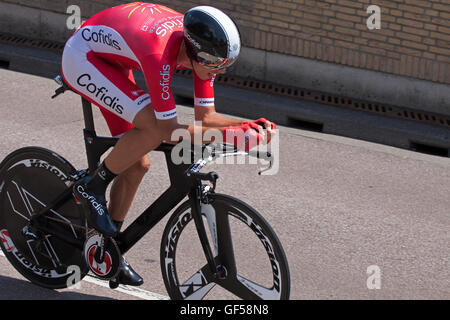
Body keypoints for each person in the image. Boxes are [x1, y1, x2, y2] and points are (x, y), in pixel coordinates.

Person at [61, 2, 276, 286]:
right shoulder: (159, 52)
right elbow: (168, 131)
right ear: (194, 52)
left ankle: (105, 248)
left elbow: (206, 117)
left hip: (114, 60)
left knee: (137, 163)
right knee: (152, 128)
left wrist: (244, 125)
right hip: (83, 57)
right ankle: (91, 187)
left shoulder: (200, 48)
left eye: (225, 65)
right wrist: (234, 137)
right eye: (215, 64)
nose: (219, 72)